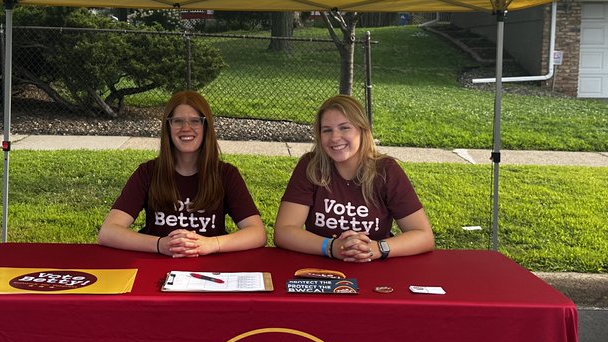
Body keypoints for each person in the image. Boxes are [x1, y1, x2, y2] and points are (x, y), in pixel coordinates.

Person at [98, 91, 266, 256]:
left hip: (209, 267)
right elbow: (108, 232)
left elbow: (257, 233)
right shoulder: (148, 172)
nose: (186, 128)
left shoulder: (226, 174)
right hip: (158, 264)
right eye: (178, 121)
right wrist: (160, 244)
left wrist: (211, 244)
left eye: (195, 121)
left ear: (206, 126)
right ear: (168, 127)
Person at [274, 94, 434, 262]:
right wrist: (331, 247)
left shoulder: (386, 170)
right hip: (320, 266)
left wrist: (377, 248)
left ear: (362, 129)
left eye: (344, 128)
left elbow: (423, 236)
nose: (335, 137)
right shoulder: (311, 166)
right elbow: (284, 231)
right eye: (327, 130)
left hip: (374, 265)